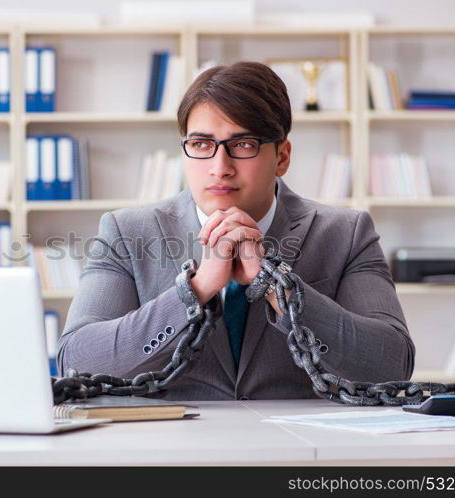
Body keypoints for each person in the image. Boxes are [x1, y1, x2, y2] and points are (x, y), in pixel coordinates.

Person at [57, 61, 414, 400]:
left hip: (301, 449)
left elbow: (392, 364)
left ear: (282, 157)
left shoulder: (346, 233)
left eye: (243, 145)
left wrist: (277, 286)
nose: (220, 167)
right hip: (168, 449)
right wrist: (195, 290)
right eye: (201, 145)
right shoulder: (126, 232)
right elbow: (78, 359)